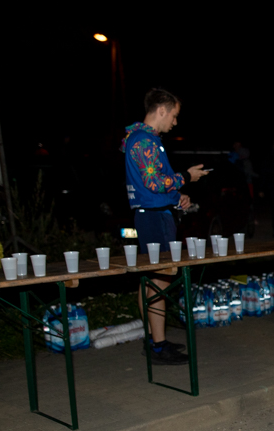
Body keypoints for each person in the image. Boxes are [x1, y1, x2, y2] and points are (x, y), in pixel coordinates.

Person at [122, 88, 208, 364]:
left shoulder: (141, 138)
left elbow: (156, 184)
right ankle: (158, 347)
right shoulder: (143, 140)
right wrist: (186, 176)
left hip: (153, 213)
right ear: (162, 110)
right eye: (174, 115)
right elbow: (154, 182)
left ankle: (153, 340)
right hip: (153, 218)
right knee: (161, 280)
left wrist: (176, 197)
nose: (175, 122)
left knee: (149, 280)